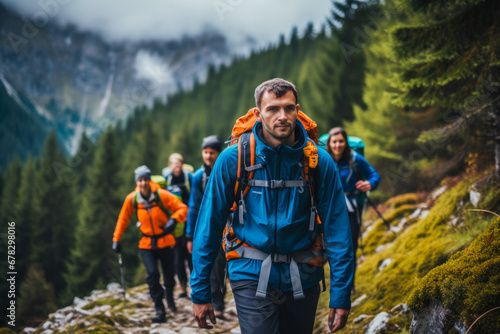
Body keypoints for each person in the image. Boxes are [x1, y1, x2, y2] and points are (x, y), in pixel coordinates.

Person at [190, 78, 354, 333]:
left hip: (304, 274)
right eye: (273, 109)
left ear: (298, 110)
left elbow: (338, 229)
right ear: (258, 113)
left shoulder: (318, 162)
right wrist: (201, 291)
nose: (283, 116)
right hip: (250, 271)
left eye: (289, 108)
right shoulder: (233, 159)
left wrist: (341, 293)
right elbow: (208, 225)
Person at [112, 165, 188, 323]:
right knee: (152, 275)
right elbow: (123, 219)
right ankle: (159, 308)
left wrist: (174, 220)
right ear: (137, 182)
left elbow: (182, 208)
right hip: (147, 244)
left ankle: (171, 300)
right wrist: (116, 239)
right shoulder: (132, 199)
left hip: (166, 242)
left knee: (169, 277)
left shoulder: (162, 195)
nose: (143, 183)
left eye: (145, 179)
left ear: (149, 180)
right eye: (140, 180)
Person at [326, 127, 380, 291]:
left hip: (351, 208)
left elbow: (374, 175)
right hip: (329, 209)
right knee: (330, 248)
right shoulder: (324, 159)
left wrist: (369, 184)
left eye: (341, 141)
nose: (338, 145)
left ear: (346, 142)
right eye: (334, 142)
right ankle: (335, 284)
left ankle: (349, 285)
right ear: (329, 143)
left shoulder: (355, 159)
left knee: (350, 247)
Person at [185, 135, 228, 319]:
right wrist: (189, 236)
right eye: (205, 152)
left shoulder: (228, 170)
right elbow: (193, 206)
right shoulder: (198, 177)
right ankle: (217, 303)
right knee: (213, 267)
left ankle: (223, 300)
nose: (208, 156)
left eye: (212, 152)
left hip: (230, 227)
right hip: (211, 228)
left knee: (224, 267)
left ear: (219, 153)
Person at [162, 153, 193, 299]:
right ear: (170, 165)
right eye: (174, 163)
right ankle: (183, 288)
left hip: (188, 222)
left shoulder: (188, 178)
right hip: (175, 225)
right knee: (178, 260)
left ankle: (194, 287)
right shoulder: (167, 180)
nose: (177, 166)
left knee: (191, 257)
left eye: (179, 163)